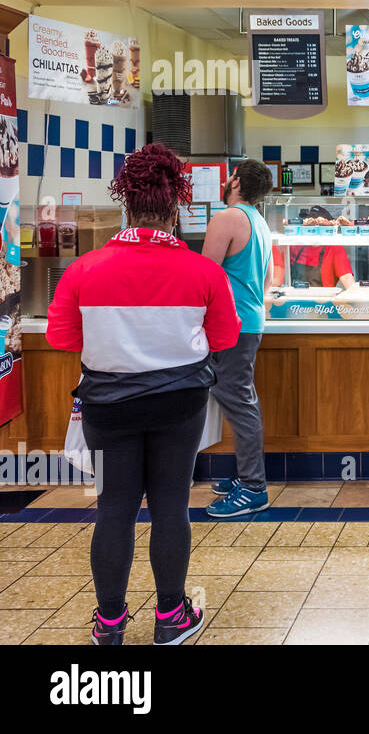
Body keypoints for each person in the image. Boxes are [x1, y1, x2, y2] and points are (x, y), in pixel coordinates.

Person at [46, 144, 240, 645]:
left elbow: (62, 338)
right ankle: (171, 617)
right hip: (180, 407)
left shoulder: (84, 270)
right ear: (175, 210)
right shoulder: (203, 272)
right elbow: (225, 338)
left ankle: (109, 623)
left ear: (126, 208)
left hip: (107, 407)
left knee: (114, 508)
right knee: (171, 506)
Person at [203, 160, 274, 518]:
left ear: (235, 181)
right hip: (249, 321)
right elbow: (266, 282)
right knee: (240, 399)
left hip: (230, 325)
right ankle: (247, 477)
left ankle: (252, 487)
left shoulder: (227, 218)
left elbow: (206, 277)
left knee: (240, 402)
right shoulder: (259, 221)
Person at [270, 207, 356, 288]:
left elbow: (347, 278)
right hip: (295, 299)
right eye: (310, 225)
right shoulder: (295, 246)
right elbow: (278, 277)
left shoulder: (335, 249)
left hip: (322, 301)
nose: (313, 230)